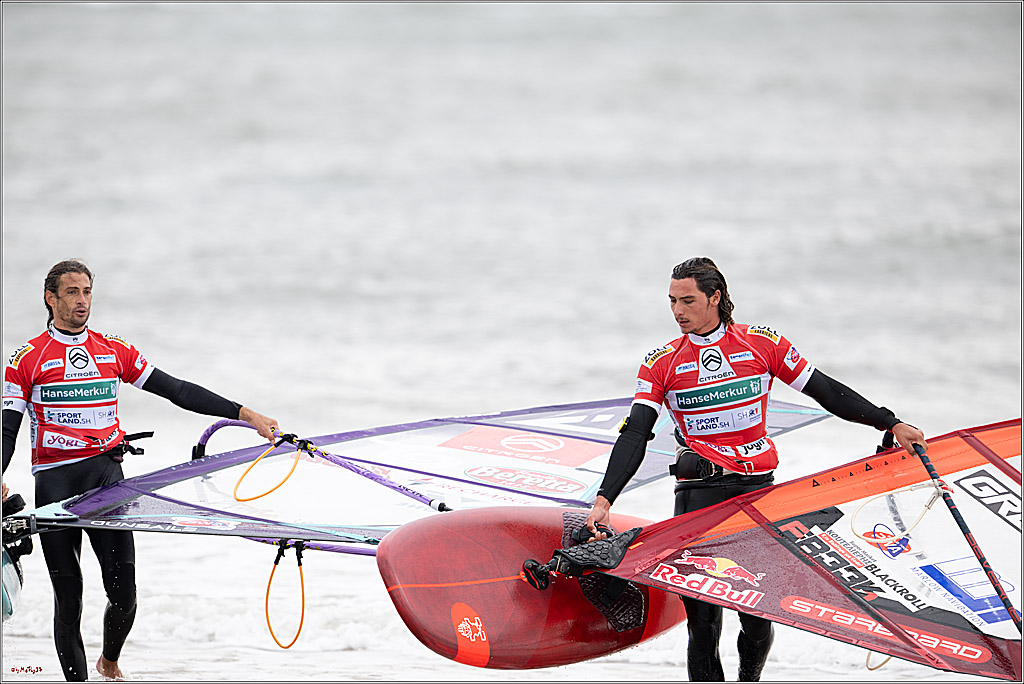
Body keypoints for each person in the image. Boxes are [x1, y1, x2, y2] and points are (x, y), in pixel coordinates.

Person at [584, 257, 926, 682]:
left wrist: (888, 421)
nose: (677, 311)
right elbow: (636, 432)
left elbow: (826, 391)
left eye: (688, 300)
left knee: (758, 615)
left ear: (716, 297)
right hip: (698, 497)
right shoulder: (662, 362)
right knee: (702, 623)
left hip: (757, 494)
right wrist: (605, 499)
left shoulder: (762, 343)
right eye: (671, 301)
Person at [2, 259, 279, 681]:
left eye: (88, 292)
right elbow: (7, 429)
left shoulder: (112, 350)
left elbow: (176, 390)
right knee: (68, 597)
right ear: (50, 297)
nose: (82, 301)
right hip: (55, 484)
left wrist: (246, 414)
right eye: (73, 292)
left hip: (107, 481)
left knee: (125, 594)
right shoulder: (26, 358)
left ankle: (109, 662)